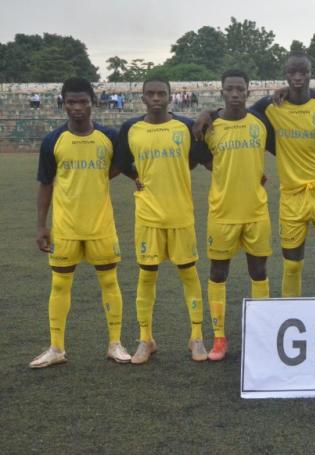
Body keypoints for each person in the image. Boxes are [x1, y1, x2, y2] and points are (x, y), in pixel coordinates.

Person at [219, 52, 315, 297]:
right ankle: (290, 313)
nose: (298, 77)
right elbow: (238, 116)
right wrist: (210, 114)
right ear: (285, 75)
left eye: (303, 71)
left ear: (310, 74)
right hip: (291, 196)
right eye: (292, 72)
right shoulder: (271, 106)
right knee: (292, 266)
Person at [30, 77, 131, 368]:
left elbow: (119, 166)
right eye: (71, 102)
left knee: (109, 281)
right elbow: (46, 184)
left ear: (93, 103)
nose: (77, 107)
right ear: (63, 104)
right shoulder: (53, 140)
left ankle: (115, 344)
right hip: (65, 228)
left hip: (101, 226)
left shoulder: (109, 137)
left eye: (83, 102)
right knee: (60, 284)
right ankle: (56, 348)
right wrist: (41, 226)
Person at [115, 77, 208, 364]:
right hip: (148, 215)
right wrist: (137, 177)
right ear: (142, 98)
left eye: (161, 94)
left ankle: (196, 337)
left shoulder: (185, 127)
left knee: (188, 273)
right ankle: (146, 339)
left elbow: (197, 158)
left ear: (170, 97)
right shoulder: (131, 128)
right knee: (147, 274)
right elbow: (121, 162)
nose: (156, 98)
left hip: (180, 213)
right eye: (151, 94)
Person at [192, 70, 274, 361]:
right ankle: (219, 338)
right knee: (218, 273)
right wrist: (207, 114)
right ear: (222, 92)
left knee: (259, 271)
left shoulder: (260, 122)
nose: (235, 94)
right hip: (222, 213)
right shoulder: (210, 127)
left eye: (240, 89)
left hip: (256, 212)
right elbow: (201, 159)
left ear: (248, 91)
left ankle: (261, 336)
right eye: (230, 89)